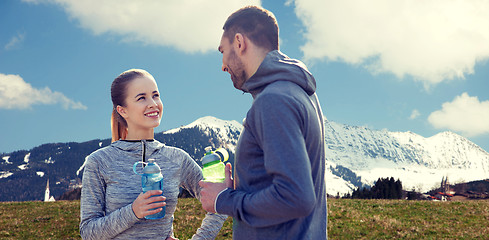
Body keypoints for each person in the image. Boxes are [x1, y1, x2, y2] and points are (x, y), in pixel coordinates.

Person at [199, 6, 327, 239]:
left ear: (239, 42)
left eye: (223, 51)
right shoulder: (299, 92)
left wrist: (223, 200)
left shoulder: (274, 100)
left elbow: (296, 197)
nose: (223, 65)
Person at [80, 69, 226, 240]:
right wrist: (134, 211)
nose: (153, 103)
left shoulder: (177, 159)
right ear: (122, 110)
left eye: (155, 95)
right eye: (141, 98)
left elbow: (220, 202)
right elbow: (88, 232)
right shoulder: (99, 161)